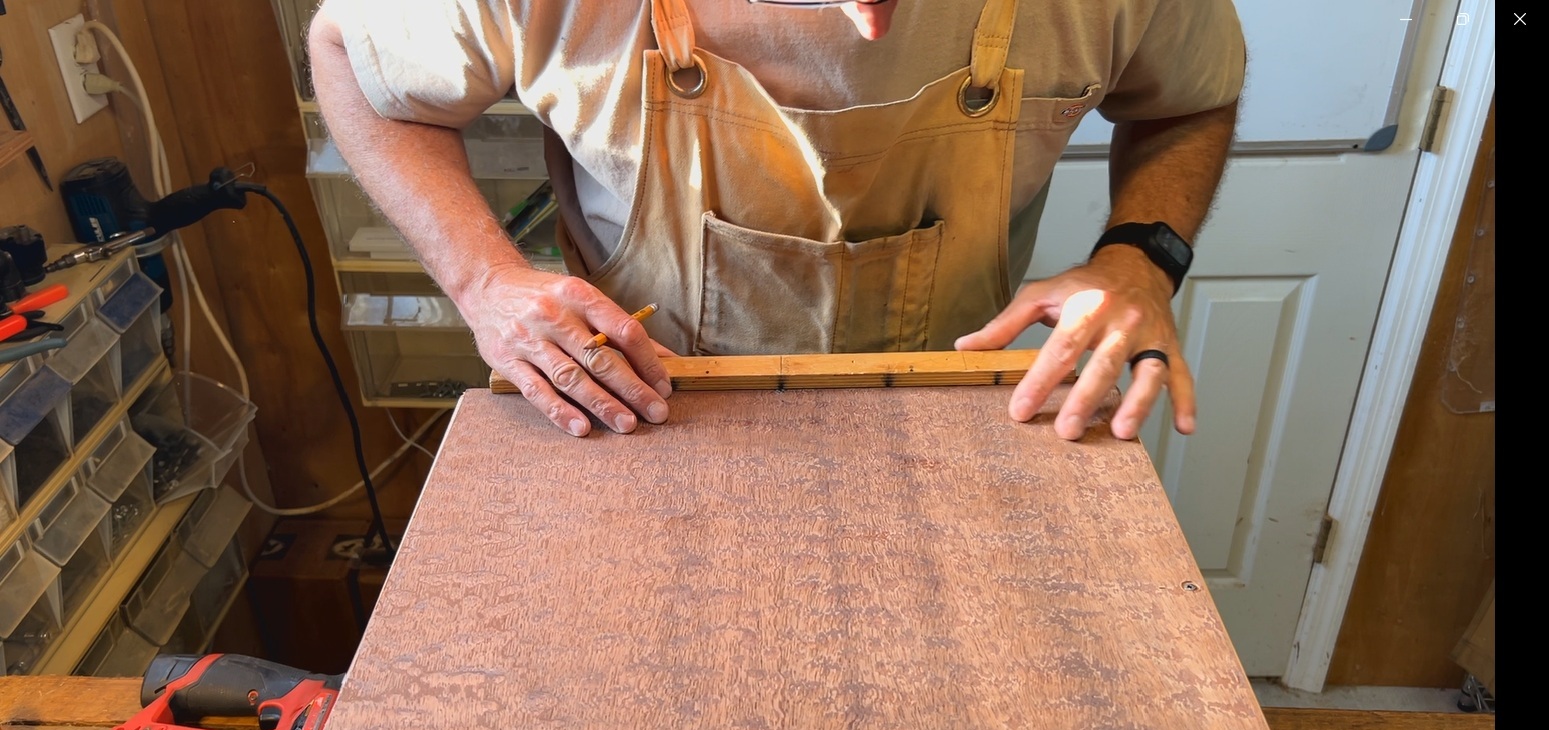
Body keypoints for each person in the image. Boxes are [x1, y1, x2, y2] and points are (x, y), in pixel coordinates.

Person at [309, 0, 1243, 441]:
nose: (869, 22)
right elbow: (348, 54)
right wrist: (484, 280)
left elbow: (1190, 98)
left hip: (966, 407)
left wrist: (1140, 258)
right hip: (634, 406)